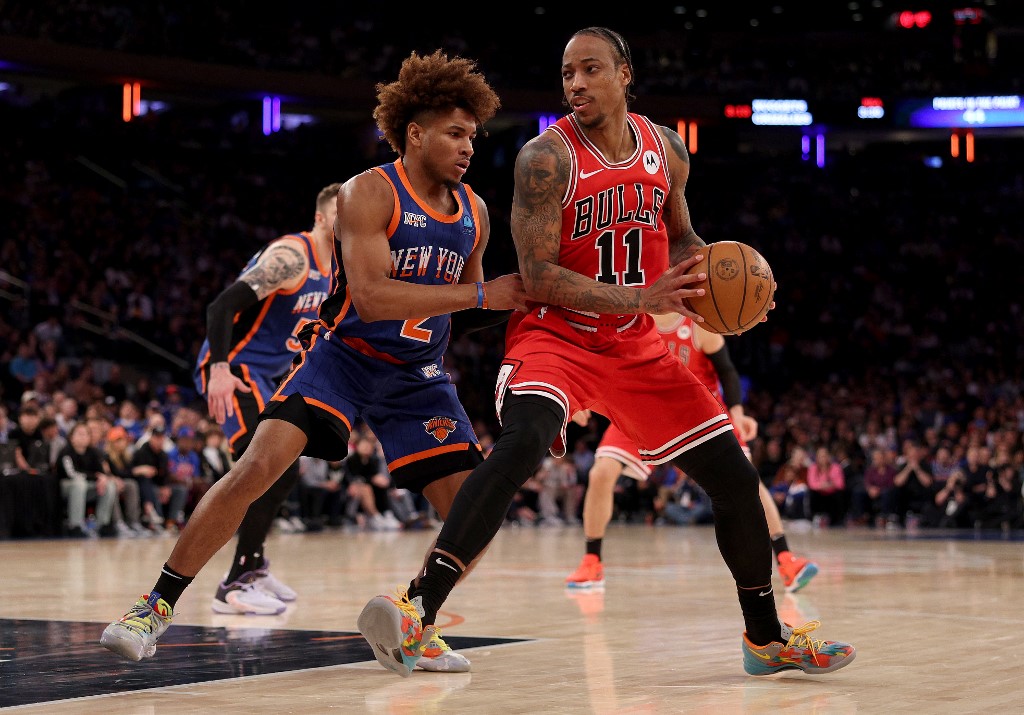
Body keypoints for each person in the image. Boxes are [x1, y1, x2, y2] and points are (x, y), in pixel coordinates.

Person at [358, 27, 855, 678]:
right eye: (567, 73)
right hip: (553, 334)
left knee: (735, 478)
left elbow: (681, 239)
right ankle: (418, 609)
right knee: (523, 441)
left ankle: (766, 639)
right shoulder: (546, 159)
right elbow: (535, 276)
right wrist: (644, 298)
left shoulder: (666, 149)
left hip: (634, 348)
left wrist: (719, 279)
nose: (576, 84)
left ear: (625, 74)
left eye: (590, 69)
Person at [100, 49, 528, 674]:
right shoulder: (368, 192)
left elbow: (464, 306)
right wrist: (487, 293)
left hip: (419, 375)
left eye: (473, 135)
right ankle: (153, 608)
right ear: (415, 132)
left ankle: (413, 618)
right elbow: (376, 297)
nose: (469, 147)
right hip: (346, 357)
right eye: (455, 133)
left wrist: (529, 299)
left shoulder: (476, 212)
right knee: (255, 469)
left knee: (478, 511)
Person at [565, 314, 818, 592]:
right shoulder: (629, 319)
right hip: (644, 407)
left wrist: (737, 412)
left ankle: (785, 558)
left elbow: (727, 370)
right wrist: (577, 395)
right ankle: (591, 561)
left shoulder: (698, 321)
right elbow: (597, 361)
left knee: (747, 481)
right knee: (601, 472)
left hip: (698, 408)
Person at [190, 184, 339, 615]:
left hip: (270, 375)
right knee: (267, 465)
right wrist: (218, 368)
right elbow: (221, 307)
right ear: (321, 217)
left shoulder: (339, 269)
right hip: (234, 370)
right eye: (338, 215)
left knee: (284, 470)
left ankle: (252, 563)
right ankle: (234, 585)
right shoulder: (291, 257)